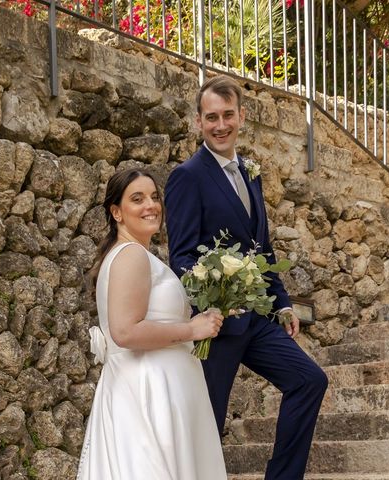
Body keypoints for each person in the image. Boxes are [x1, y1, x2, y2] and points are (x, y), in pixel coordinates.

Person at [165, 74, 328, 479]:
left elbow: (262, 248)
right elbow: (182, 256)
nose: (220, 125)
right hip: (217, 326)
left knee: (309, 380)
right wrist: (212, 302)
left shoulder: (251, 173)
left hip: (257, 320)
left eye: (228, 115)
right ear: (199, 122)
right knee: (207, 423)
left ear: (242, 116)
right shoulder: (188, 176)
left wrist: (283, 301)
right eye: (211, 117)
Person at [77, 168, 227, 480]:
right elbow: (125, 331)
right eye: (137, 199)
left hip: (156, 387)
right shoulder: (131, 255)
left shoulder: (138, 255)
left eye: (154, 197)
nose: (151, 205)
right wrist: (192, 329)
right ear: (116, 212)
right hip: (148, 393)